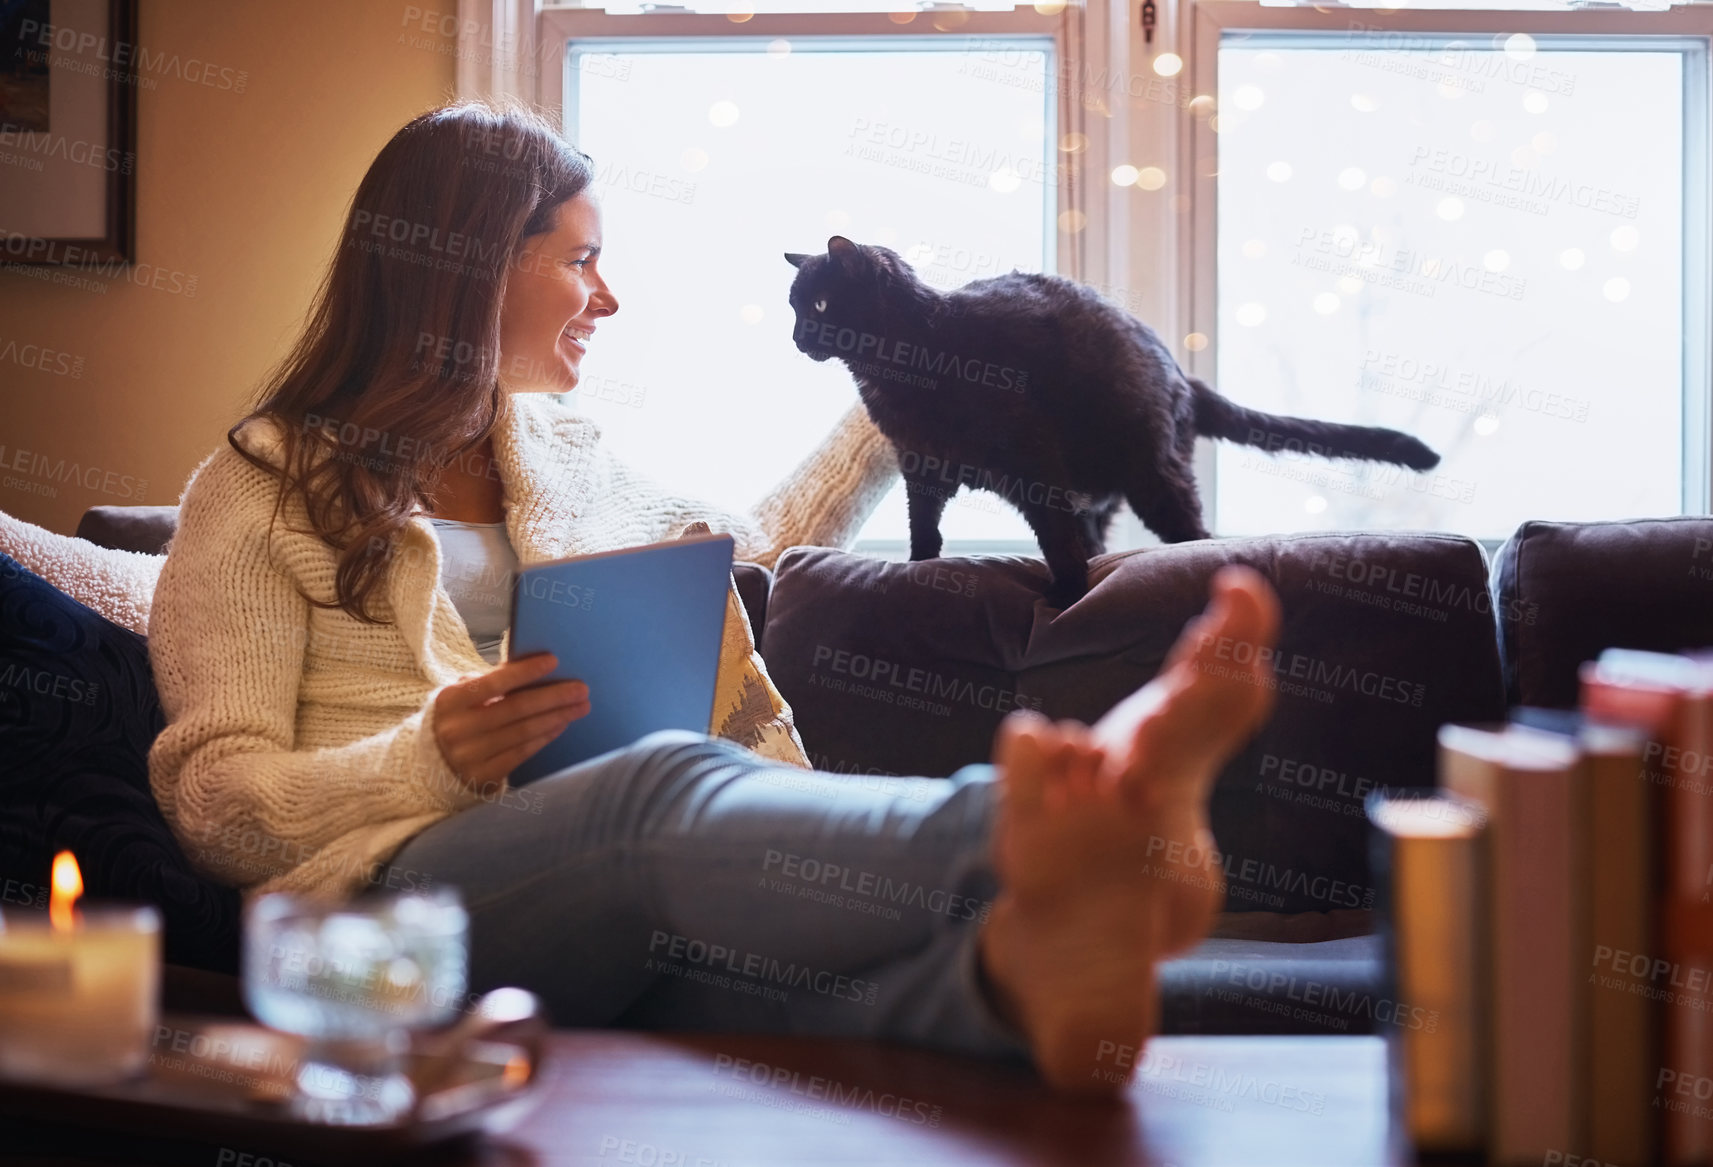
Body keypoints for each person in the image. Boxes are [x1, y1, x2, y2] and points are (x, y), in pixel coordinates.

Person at [138, 103, 1282, 1094]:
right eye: (581, 260)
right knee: (652, 792)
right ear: (471, 261)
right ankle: (1064, 827)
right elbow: (215, 803)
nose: (609, 298)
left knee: (760, 996)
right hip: (373, 928)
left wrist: (911, 378)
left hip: (590, 901)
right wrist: (427, 755)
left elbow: (759, 547)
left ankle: (1020, 983)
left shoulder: (570, 460)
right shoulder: (259, 487)